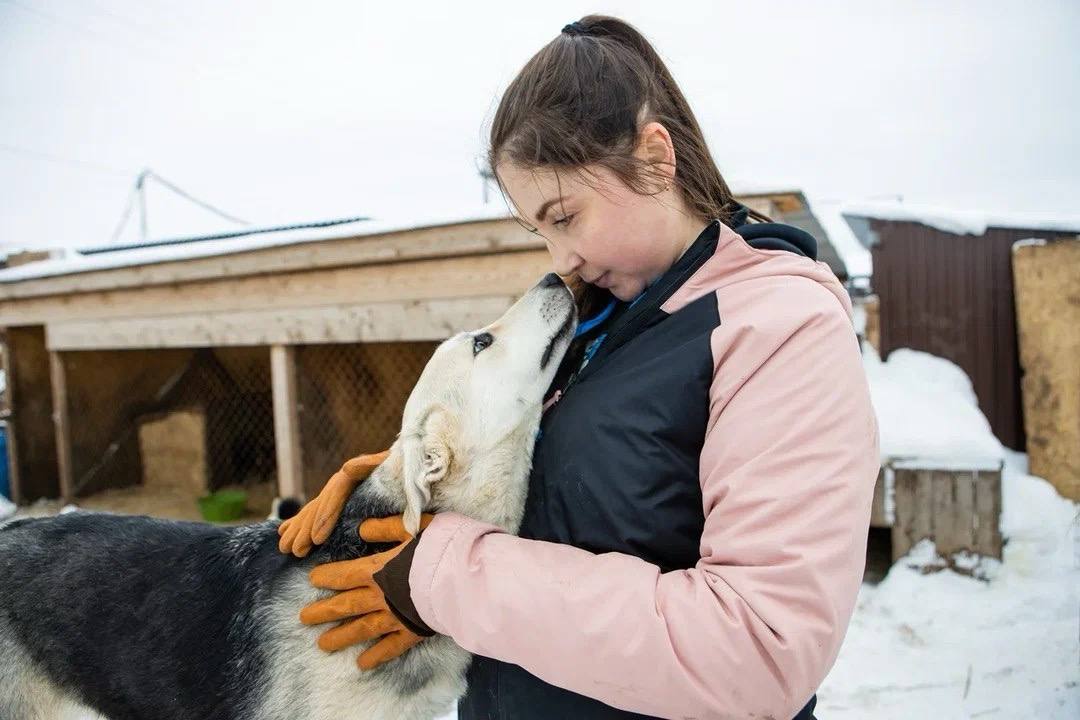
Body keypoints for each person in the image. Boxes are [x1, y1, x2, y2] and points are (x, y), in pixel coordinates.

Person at [277, 14, 880, 720]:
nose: (558, 258)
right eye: (540, 231)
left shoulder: (778, 327)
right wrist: (401, 475)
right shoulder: (592, 321)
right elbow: (587, 494)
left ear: (656, 158)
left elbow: (757, 649)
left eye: (564, 217)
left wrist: (446, 579)